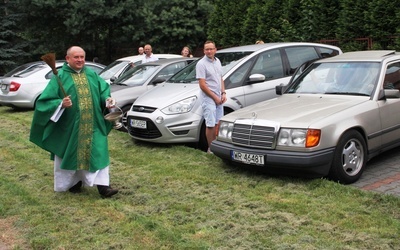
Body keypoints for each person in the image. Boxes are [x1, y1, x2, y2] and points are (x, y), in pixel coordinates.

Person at [29, 46, 119, 198]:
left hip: (94, 124)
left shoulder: (91, 74)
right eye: (76, 57)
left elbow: (104, 91)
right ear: (67, 58)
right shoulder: (60, 77)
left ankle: (104, 187)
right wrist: (60, 104)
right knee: (70, 153)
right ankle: (74, 182)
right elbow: (44, 102)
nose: (79, 60)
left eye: (82, 57)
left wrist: (107, 100)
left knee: (99, 151)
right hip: (70, 126)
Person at [196, 40, 226, 153]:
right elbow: (202, 85)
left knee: (218, 122)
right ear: (204, 51)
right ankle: (211, 148)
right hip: (208, 97)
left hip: (218, 95)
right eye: (207, 49)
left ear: (215, 50)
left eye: (211, 49)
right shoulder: (201, 64)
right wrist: (215, 97)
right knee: (210, 123)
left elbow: (220, 79)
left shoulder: (217, 61)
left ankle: (217, 146)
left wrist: (223, 93)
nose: (209, 51)